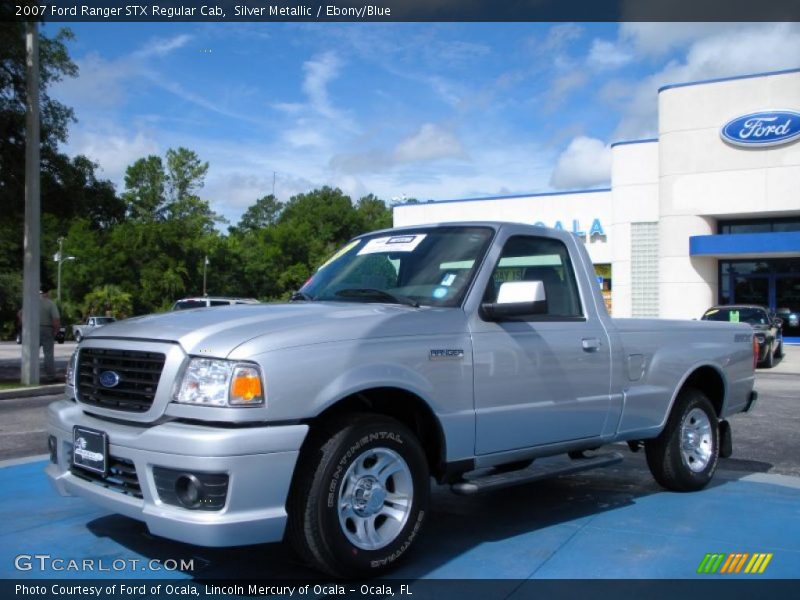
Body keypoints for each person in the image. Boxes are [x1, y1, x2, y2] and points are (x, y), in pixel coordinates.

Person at [39, 289, 61, 382]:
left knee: (32, 353)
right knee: (48, 354)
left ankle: (30, 375)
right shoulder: (50, 304)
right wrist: (56, 331)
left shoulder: (32, 302)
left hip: (32, 330)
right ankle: (50, 376)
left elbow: (20, 314)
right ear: (47, 293)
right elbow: (56, 319)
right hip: (47, 329)